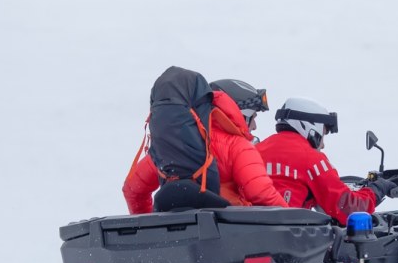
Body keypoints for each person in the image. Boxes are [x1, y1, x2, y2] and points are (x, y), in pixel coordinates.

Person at [122, 78, 286, 214]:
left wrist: (149, 226)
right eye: (253, 117)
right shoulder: (238, 147)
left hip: (176, 238)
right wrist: (294, 219)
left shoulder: (172, 147)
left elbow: (132, 189)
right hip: (230, 236)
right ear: (240, 114)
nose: (255, 126)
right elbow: (261, 193)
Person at [255, 97, 397, 224]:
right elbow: (349, 208)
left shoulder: (256, 150)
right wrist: (377, 189)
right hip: (288, 239)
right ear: (310, 126)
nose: (322, 145)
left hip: (252, 235)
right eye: (323, 135)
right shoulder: (310, 159)